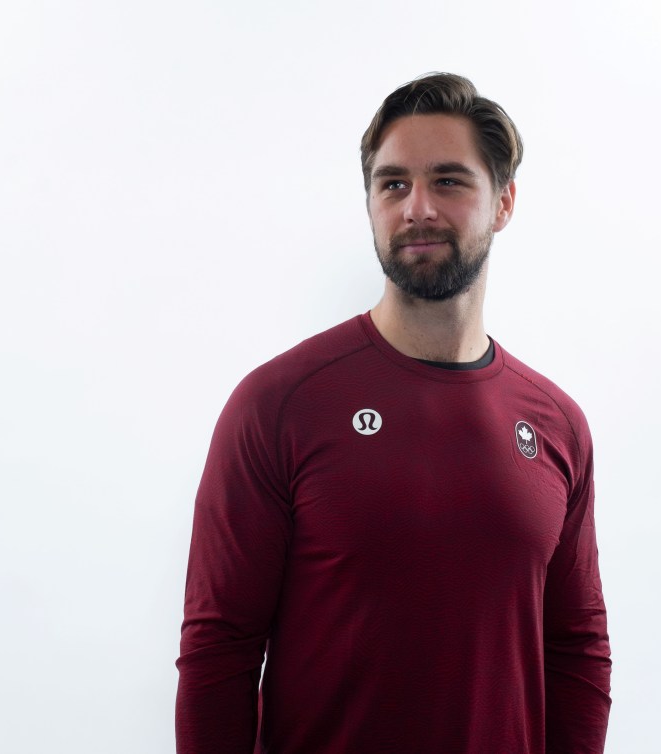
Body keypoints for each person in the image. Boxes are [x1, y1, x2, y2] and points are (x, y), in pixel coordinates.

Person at [176, 72, 611, 754]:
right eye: (392, 184)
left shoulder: (555, 423)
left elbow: (575, 647)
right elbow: (218, 652)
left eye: (448, 181)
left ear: (503, 202)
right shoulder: (278, 405)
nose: (416, 208)